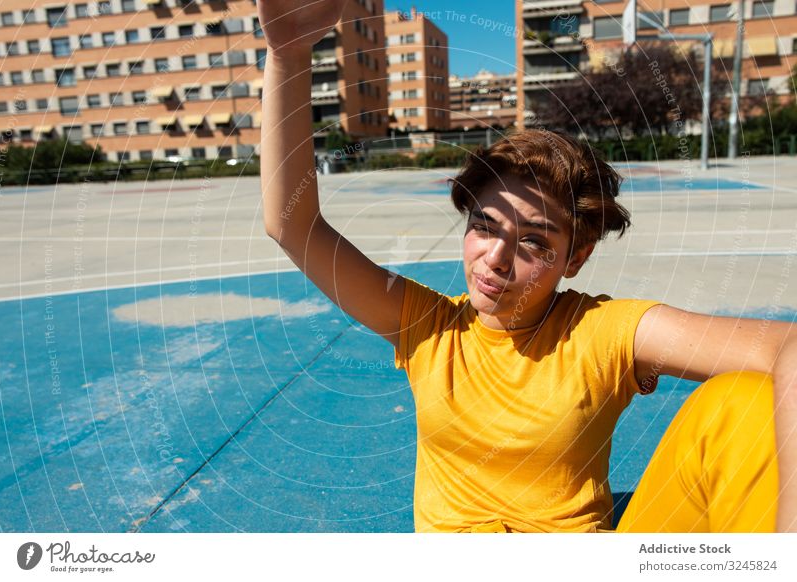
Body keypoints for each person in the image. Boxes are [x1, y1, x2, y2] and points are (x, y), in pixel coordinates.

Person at [258, 0, 797, 532]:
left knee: (742, 405)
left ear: (575, 258)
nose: (495, 258)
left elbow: (785, 348)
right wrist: (288, 53)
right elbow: (292, 225)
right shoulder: (428, 326)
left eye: (535, 243)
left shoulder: (598, 333)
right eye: (485, 226)